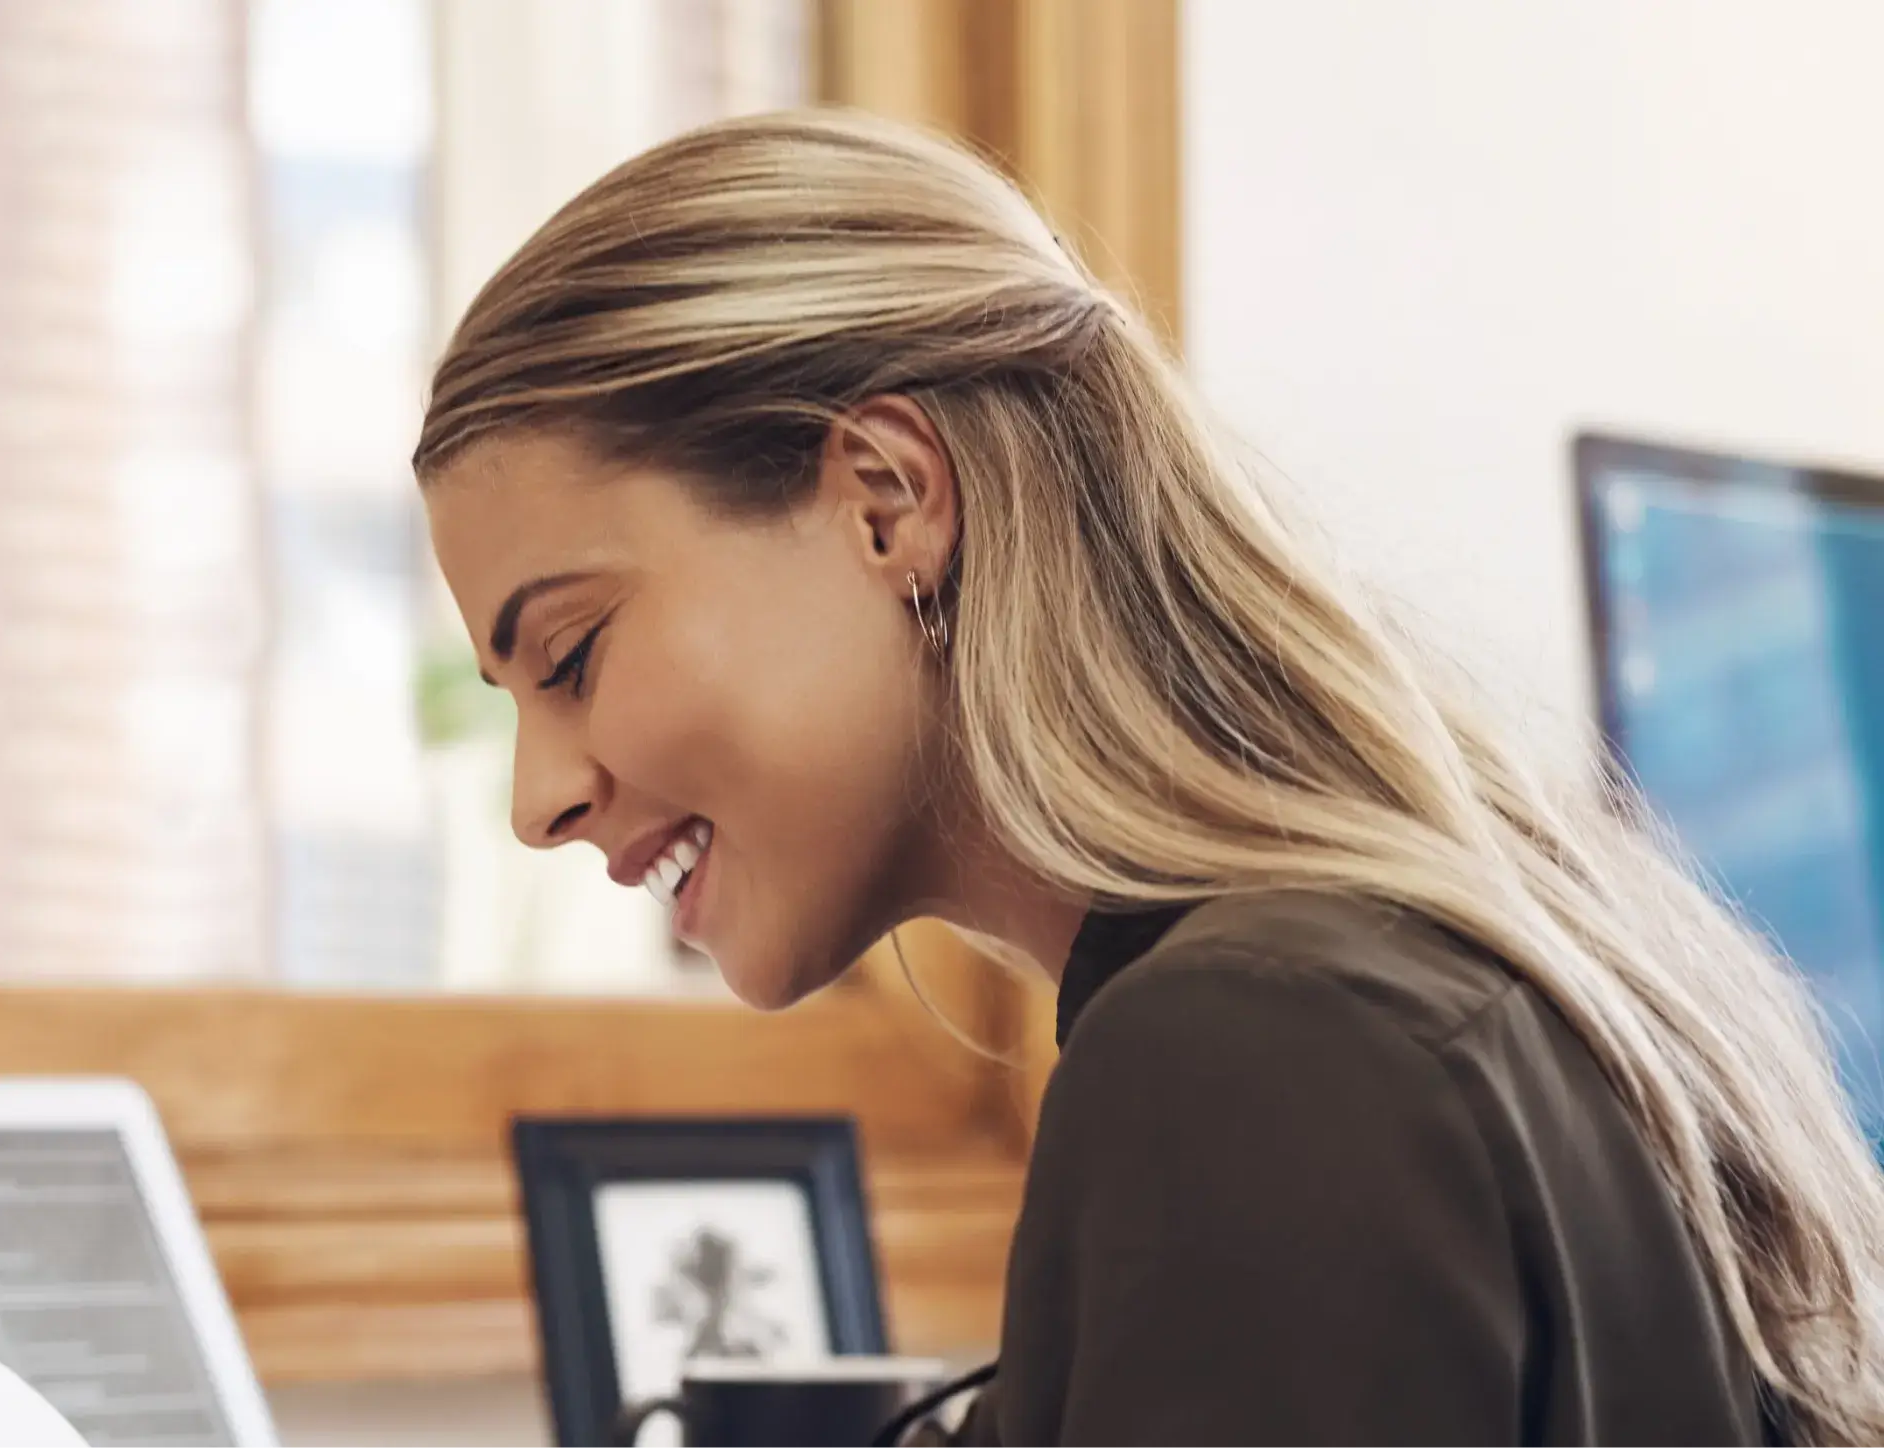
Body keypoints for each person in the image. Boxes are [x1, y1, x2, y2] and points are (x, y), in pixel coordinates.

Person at [413, 111, 1884, 1447]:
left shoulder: (1265, 1052)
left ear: (888, 501)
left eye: (572, 656)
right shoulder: (1382, 990)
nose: (536, 798)